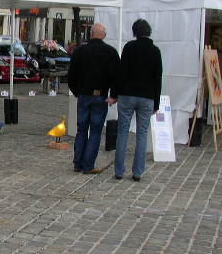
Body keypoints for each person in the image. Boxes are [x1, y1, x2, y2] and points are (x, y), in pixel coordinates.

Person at [108, 19, 163, 181]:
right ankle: (137, 172)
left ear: (134, 32)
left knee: (123, 132)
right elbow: (158, 78)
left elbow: (121, 72)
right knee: (142, 134)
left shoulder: (129, 47)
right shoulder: (155, 51)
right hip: (147, 96)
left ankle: (119, 171)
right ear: (149, 31)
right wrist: (156, 103)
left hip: (127, 94)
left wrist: (114, 94)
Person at [67, 23, 120, 174]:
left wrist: (77, 92)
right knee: (95, 132)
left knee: (81, 130)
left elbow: (71, 75)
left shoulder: (80, 51)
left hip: (83, 95)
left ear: (91, 34)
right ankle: (88, 165)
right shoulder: (110, 52)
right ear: (104, 35)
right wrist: (113, 95)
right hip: (100, 96)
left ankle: (78, 163)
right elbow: (117, 76)